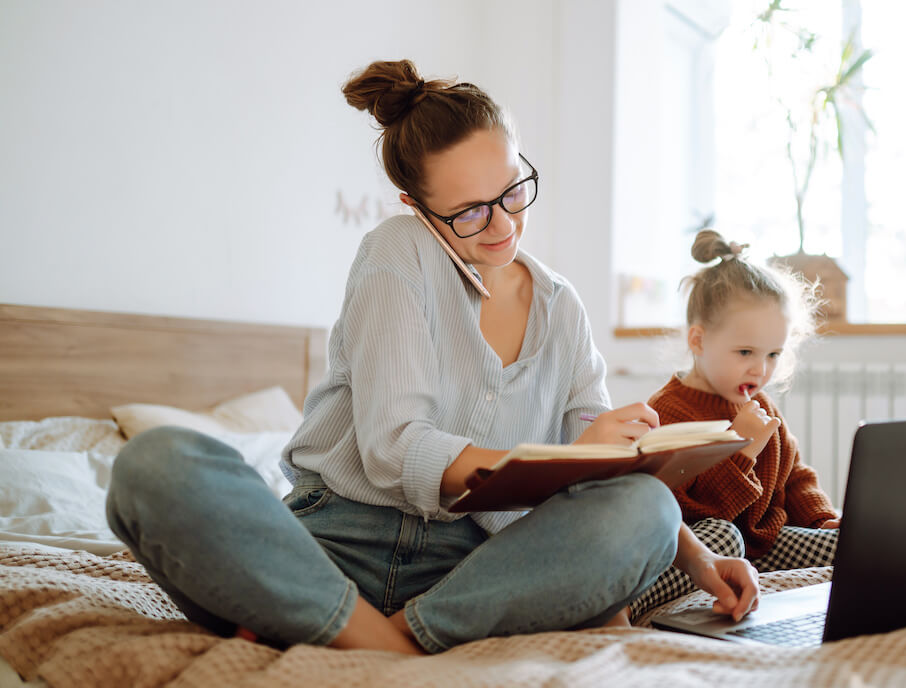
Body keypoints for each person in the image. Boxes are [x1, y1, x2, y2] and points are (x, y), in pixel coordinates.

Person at [105, 60, 758, 655]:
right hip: (328, 551)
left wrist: (698, 564)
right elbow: (394, 449)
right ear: (417, 208)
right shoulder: (397, 252)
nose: (502, 225)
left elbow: (611, 468)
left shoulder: (563, 307)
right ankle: (389, 648)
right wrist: (557, 459)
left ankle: (369, 636)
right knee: (153, 466)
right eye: (470, 213)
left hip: (477, 574)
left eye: (512, 192)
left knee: (647, 508)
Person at [628, 229, 840, 619]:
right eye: (745, 352)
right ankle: (624, 603)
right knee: (728, 537)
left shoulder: (762, 406)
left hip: (762, 544)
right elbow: (680, 510)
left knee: (846, 546)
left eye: (773, 354)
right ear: (698, 340)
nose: (760, 369)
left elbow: (795, 476)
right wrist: (740, 452)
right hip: (703, 549)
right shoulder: (669, 413)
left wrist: (821, 518)